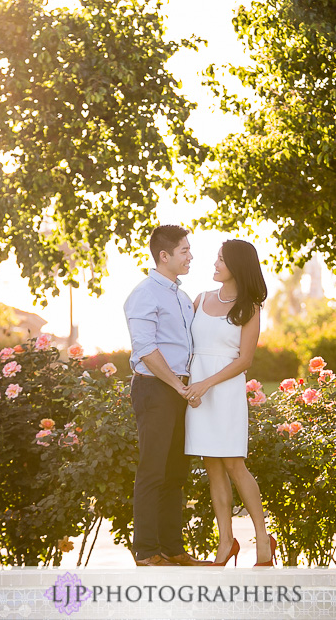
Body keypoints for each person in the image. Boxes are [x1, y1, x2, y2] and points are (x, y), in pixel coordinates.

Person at [184, 239, 276, 567]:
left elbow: (245, 360)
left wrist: (206, 384)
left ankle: (263, 540)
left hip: (223, 391)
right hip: (197, 393)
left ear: (237, 266)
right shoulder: (200, 299)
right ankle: (226, 542)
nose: (215, 264)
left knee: (235, 465)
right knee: (212, 468)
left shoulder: (250, 308)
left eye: (221, 259)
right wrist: (187, 387)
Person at [123, 225, 209, 566]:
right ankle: (146, 552)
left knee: (175, 473)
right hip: (155, 389)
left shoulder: (181, 296)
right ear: (164, 256)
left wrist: (188, 386)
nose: (190, 256)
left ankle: (173, 549)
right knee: (152, 471)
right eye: (184, 251)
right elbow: (145, 349)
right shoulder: (145, 294)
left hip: (179, 389)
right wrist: (177, 386)